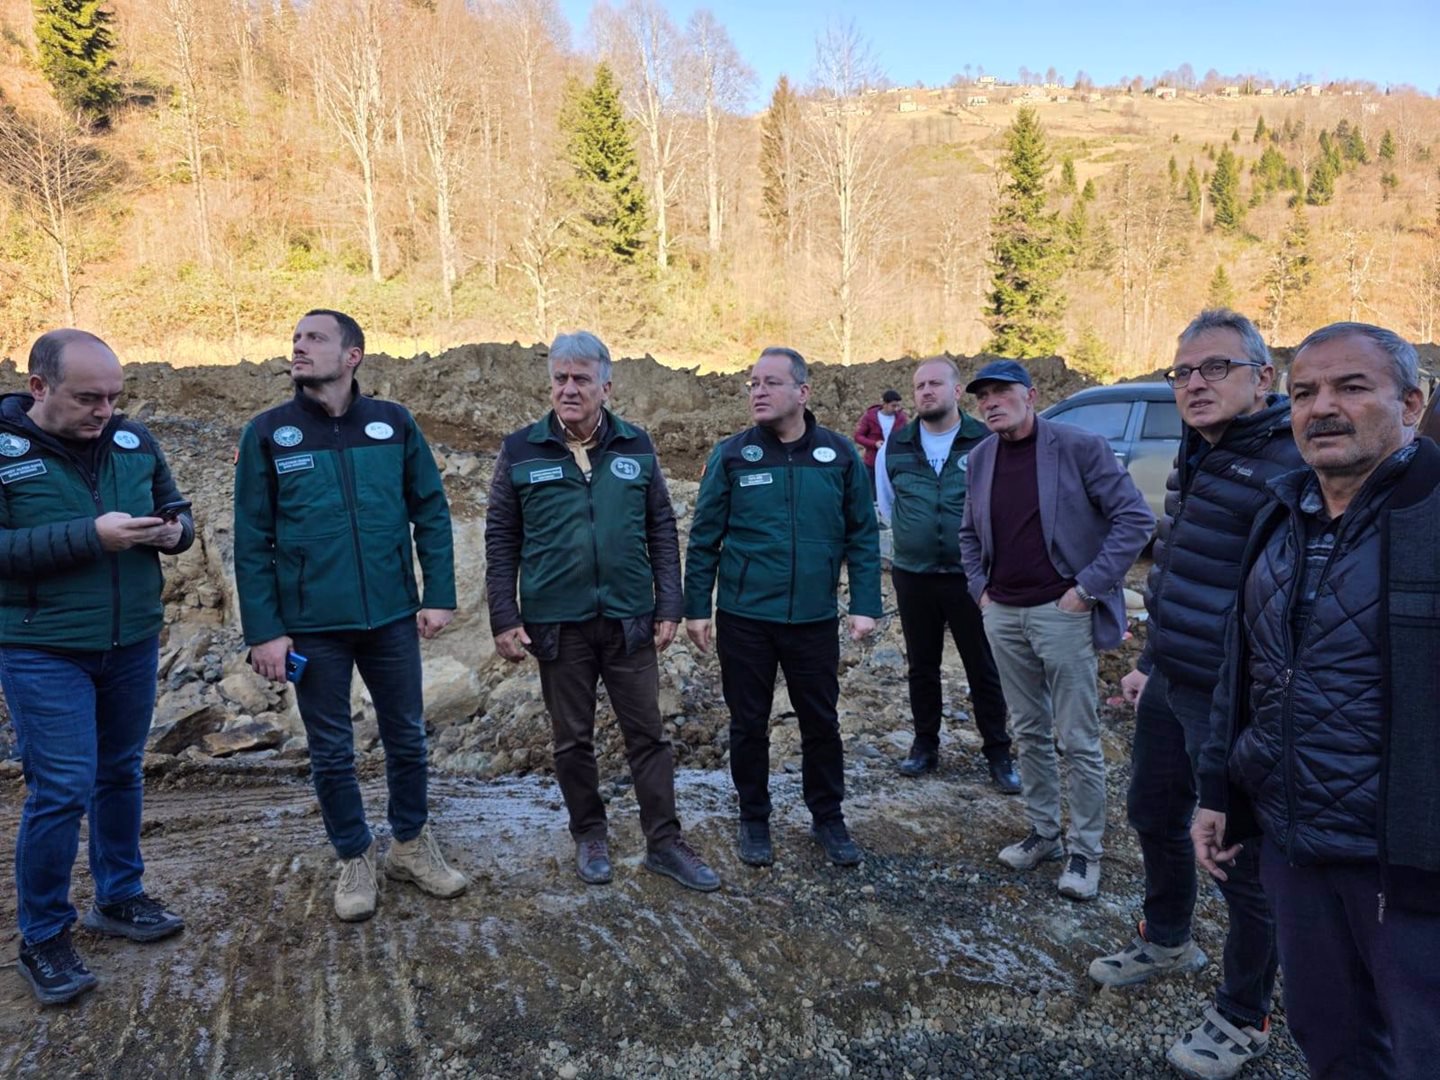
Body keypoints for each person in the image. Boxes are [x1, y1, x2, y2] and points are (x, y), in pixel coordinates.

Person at [1194, 322, 1440, 1080]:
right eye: (1304, 393)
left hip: (1408, 865)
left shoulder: (1432, 517)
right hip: (1295, 848)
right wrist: (1218, 791)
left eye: (1350, 387)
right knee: (1331, 1042)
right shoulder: (1283, 515)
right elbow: (1244, 667)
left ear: (1412, 404)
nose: (1321, 407)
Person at [1087, 310, 1300, 1079]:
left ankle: (1245, 1012)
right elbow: (1177, 568)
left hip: (1235, 697)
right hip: (1173, 677)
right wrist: (1150, 658)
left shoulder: (1289, 462)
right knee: (1152, 813)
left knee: (1239, 860)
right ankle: (1168, 937)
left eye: (1216, 368)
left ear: (1263, 377)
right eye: (1182, 372)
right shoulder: (1198, 449)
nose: (1194, 384)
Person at [233, 309, 467, 923]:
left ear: (352, 355)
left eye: (315, 338)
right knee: (331, 750)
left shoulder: (394, 424)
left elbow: (430, 510)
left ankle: (410, 845)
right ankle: (354, 855)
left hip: (390, 616)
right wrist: (265, 631)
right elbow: (252, 540)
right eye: (295, 338)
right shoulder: (268, 433)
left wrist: (438, 593)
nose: (299, 346)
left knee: (407, 737)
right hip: (313, 624)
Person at [485, 332, 718, 892]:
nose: (569, 389)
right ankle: (589, 834)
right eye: (560, 378)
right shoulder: (520, 451)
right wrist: (504, 615)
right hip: (556, 624)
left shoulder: (636, 446)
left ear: (606, 387)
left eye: (581, 379)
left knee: (648, 736)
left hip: (628, 619)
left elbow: (661, 528)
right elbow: (501, 538)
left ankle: (664, 842)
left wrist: (669, 603)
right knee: (572, 740)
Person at [0, 329, 191, 1005]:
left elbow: (177, 509)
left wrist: (175, 532)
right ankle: (44, 935)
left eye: (113, 396)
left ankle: (120, 895)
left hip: (131, 639)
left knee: (120, 771)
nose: (104, 410)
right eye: (88, 398)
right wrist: (91, 536)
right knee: (62, 788)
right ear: (39, 387)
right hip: (42, 646)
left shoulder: (133, 439)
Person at [958, 359, 1152, 901]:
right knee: (1028, 730)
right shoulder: (981, 457)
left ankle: (1085, 850)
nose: (990, 403)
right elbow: (968, 533)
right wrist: (981, 591)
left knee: (1078, 738)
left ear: (1031, 395)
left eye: (1001, 392)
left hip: (1062, 611)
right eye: (982, 396)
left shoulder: (1078, 447)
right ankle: (1044, 832)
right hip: (1003, 612)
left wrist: (1086, 589)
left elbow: (1135, 519)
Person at [685, 347, 882, 868]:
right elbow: (704, 538)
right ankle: (754, 816)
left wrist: (864, 604)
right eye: (753, 383)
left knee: (820, 722)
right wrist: (696, 607)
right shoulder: (732, 456)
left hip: (813, 620)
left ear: (802, 392)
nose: (758, 391)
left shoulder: (839, 456)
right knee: (748, 723)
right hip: (745, 618)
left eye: (770, 383)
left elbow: (863, 536)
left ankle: (828, 817)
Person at [874, 357, 1019, 793]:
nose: (926, 392)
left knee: (983, 666)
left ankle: (998, 753)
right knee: (922, 665)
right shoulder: (895, 445)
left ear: (957, 392)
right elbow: (888, 504)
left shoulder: (985, 440)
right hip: (913, 575)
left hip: (970, 576)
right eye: (919, 386)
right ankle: (925, 746)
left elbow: (1002, 503)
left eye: (935, 383)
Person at [854, 389, 907, 494]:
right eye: (893, 406)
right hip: (873, 463)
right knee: (872, 493)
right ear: (884, 404)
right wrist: (874, 444)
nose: (896, 409)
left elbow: (906, 435)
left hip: (894, 462)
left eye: (898, 406)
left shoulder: (901, 418)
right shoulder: (870, 417)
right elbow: (858, 436)